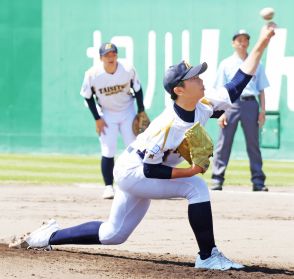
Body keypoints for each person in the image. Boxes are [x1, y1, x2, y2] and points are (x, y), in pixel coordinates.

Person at [9, 24, 275, 271]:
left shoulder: (203, 103)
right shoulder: (167, 125)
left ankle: (47, 236)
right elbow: (150, 170)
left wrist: (262, 41)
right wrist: (191, 171)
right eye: (193, 77)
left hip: (138, 169)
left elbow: (238, 83)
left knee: (114, 234)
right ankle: (208, 256)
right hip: (135, 172)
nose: (200, 78)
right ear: (179, 89)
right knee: (196, 188)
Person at [80, 42, 146, 199]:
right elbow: (87, 97)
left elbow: (137, 89)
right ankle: (109, 186)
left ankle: (138, 183)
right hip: (107, 114)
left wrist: (141, 111)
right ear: (101, 58)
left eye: (113, 54)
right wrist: (97, 119)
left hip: (127, 110)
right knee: (108, 150)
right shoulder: (92, 74)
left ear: (117, 55)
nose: (110, 58)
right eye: (107, 55)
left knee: (133, 148)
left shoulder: (127, 69)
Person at [211, 30, 269, 192]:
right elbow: (219, 90)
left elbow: (262, 89)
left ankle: (258, 181)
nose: (243, 43)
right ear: (233, 43)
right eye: (239, 40)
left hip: (251, 104)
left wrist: (263, 111)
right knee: (224, 143)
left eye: (245, 40)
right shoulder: (226, 63)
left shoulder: (257, 62)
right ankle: (217, 179)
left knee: (253, 144)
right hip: (230, 105)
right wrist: (220, 112)